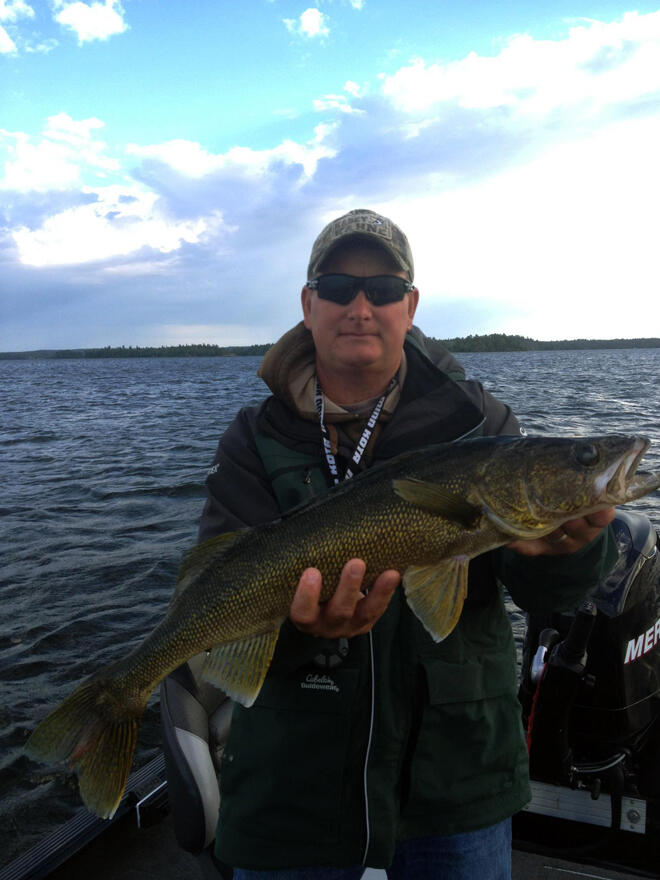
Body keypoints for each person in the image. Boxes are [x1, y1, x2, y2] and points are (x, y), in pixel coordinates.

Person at [198, 209, 617, 879]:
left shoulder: (480, 424)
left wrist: (570, 551)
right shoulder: (254, 438)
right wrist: (309, 632)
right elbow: (221, 593)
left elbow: (545, 593)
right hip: (293, 791)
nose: (360, 306)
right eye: (337, 287)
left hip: (456, 779)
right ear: (308, 305)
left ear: (410, 305)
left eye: (384, 289)